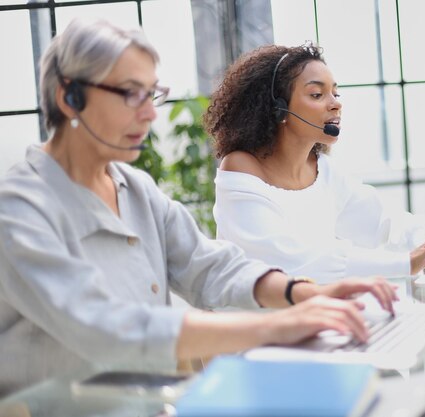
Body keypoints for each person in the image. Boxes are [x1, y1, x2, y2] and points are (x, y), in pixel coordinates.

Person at [0, 20, 398, 396]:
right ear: (69, 98)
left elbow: (209, 265)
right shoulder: (19, 210)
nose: (151, 113)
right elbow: (104, 326)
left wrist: (303, 293)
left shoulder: (135, 189)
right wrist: (274, 326)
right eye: (130, 94)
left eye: (153, 94)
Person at [205, 44, 425, 284]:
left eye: (336, 92)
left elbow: (384, 224)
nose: (336, 104)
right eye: (318, 94)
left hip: (314, 320)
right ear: (279, 109)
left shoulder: (323, 170)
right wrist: (406, 262)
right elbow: (290, 262)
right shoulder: (241, 168)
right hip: (257, 329)